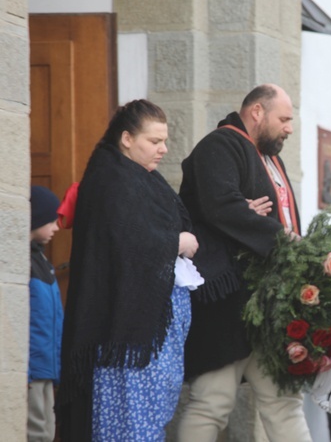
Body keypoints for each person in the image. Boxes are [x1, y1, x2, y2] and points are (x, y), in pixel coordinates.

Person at [56, 100, 200, 441]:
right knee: (130, 425)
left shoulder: (141, 178)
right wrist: (176, 242)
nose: (163, 149)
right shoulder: (111, 180)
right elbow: (129, 244)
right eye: (154, 141)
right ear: (126, 138)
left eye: (164, 140)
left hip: (149, 330)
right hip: (125, 335)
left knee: (148, 422)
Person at [177, 84, 312, 442]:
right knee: (212, 403)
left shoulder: (271, 157)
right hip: (229, 300)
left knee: (284, 402)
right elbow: (221, 207)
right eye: (283, 119)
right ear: (256, 112)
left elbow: (236, 211)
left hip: (269, 304)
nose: (289, 128)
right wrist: (285, 241)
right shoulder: (219, 145)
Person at [28, 186, 64, 442]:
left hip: (47, 367)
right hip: (31, 369)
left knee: (47, 430)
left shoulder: (42, 261)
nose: (56, 227)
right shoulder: (22, 264)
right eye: (51, 220)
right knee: (35, 430)